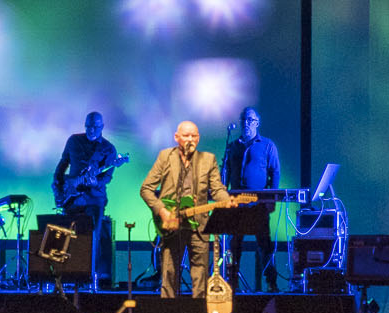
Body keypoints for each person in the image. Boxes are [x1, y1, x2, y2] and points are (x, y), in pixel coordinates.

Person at [139, 120, 228, 298]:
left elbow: (217, 189)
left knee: (200, 276)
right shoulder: (165, 157)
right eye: (186, 135)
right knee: (169, 275)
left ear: (199, 138)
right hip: (172, 224)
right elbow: (146, 189)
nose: (190, 139)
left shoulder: (208, 159)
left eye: (194, 136)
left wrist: (226, 200)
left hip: (199, 225)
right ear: (176, 137)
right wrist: (162, 211)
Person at [52, 112, 124, 288]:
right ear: (85, 125)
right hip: (72, 198)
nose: (91, 130)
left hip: (94, 199)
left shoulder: (108, 149)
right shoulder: (73, 141)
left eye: (95, 127)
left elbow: (107, 177)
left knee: (93, 238)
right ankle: (65, 278)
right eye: (88, 126)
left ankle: (90, 278)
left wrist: (95, 181)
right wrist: (58, 189)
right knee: (67, 237)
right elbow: (62, 165)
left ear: (102, 127)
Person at [222, 106, 282, 291]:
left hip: (258, 204)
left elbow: (275, 172)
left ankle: (271, 283)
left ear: (257, 123)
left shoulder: (267, 145)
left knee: (264, 244)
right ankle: (233, 282)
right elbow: (225, 172)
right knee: (235, 244)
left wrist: (271, 198)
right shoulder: (232, 146)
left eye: (250, 120)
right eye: (243, 120)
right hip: (236, 203)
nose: (246, 124)